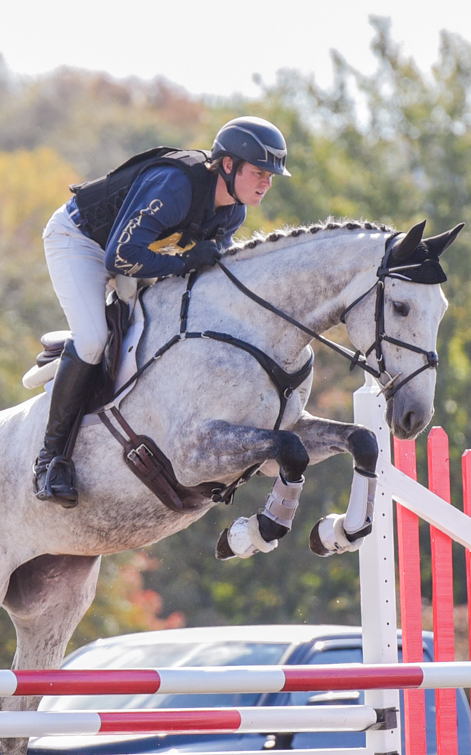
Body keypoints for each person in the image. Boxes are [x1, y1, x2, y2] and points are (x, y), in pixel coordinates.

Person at [34, 116, 292, 507]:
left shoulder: (232, 212)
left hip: (136, 254)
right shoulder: (176, 186)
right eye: (259, 172)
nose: (266, 183)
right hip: (81, 242)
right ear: (227, 165)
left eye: (271, 176)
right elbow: (120, 256)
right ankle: (50, 459)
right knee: (92, 339)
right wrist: (187, 262)